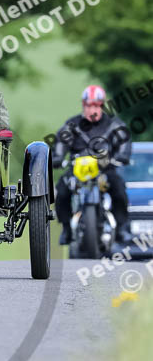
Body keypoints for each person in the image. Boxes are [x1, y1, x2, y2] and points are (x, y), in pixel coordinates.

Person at [52, 85, 132, 245]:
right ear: (84, 105)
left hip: (105, 170)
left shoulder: (113, 124)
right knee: (61, 191)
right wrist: (58, 157)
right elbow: (61, 142)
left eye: (96, 105)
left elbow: (124, 142)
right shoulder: (72, 125)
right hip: (77, 170)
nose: (92, 109)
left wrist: (122, 156)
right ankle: (67, 228)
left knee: (119, 190)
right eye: (89, 105)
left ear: (102, 105)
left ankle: (122, 228)